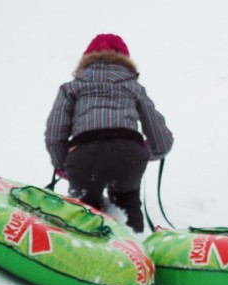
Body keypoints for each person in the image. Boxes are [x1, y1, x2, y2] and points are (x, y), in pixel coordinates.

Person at [44, 33, 173, 234]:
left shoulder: (71, 88)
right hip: (128, 154)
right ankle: (136, 241)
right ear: (125, 61)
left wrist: (62, 164)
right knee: (127, 200)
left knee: (85, 209)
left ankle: (83, 247)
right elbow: (161, 140)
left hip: (84, 157)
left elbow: (54, 132)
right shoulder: (134, 87)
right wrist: (146, 152)